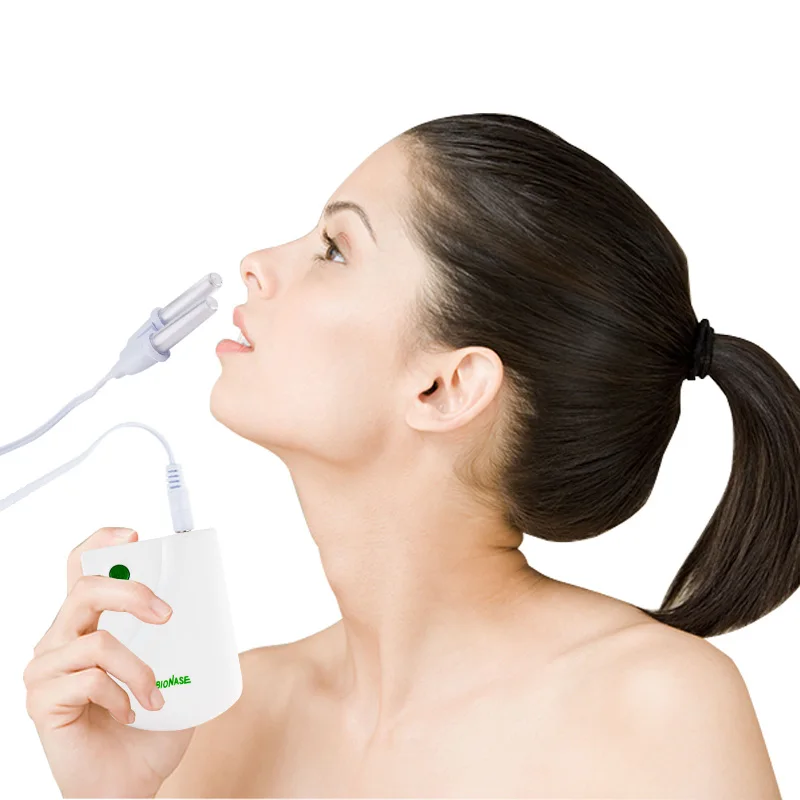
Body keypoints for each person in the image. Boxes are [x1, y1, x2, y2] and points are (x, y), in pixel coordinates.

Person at [25, 113, 792, 798]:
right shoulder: (217, 722)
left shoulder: (656, 710)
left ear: (445, 387)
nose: (256, 262)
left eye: (334, 249)